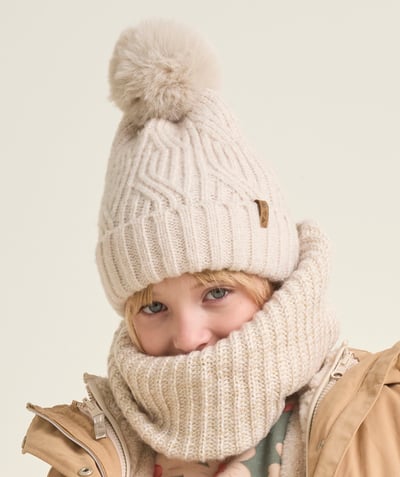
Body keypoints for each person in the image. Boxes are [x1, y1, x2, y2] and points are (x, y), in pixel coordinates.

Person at [22, 19, 400, 477]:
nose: (186, 336)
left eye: (216, 293)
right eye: (153, 306)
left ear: (273, 286)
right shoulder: (92, 454)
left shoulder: (379, 415)